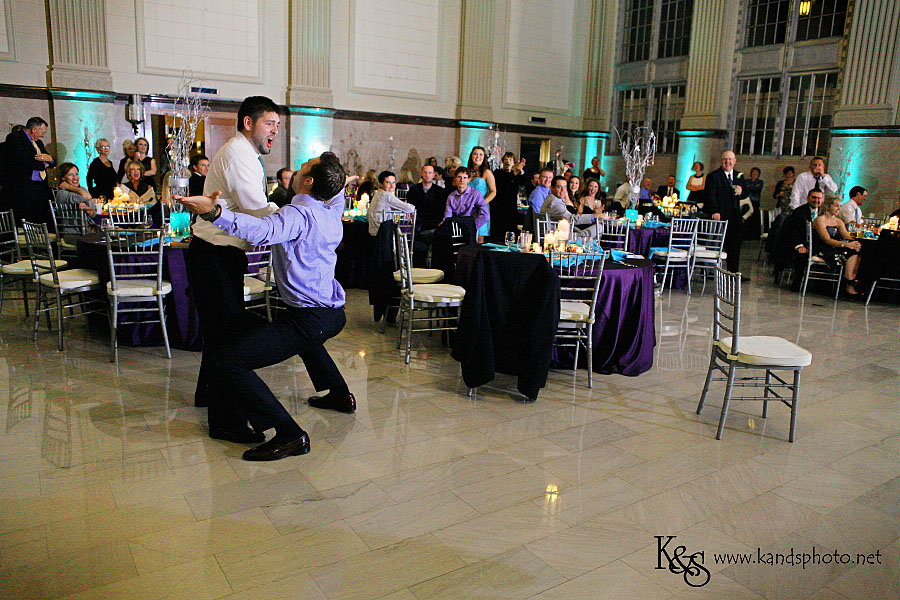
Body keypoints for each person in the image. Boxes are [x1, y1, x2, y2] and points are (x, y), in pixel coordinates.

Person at [177, 151, 354, 461]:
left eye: (302, 167)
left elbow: (262, 231)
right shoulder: (330, 208)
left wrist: (215, 213)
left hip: (309, 318)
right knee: (307, 341)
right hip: (332, 314)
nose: (297, 170)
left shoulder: (297, 216)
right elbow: (336, 194)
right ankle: (340, 395)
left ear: (308, 182)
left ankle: (290, 435)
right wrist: (338, 182)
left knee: (228, 361)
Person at [186, 95, 281, 443]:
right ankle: (225, 423)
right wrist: (292, 218)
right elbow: (256, 211)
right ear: (248, 123)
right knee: (228, 340)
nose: (275, 131)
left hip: (215, 255)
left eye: (277, 126)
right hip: (214, 255)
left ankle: (206, 395)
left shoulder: (244, 154)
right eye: (269, 123)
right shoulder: (239, 155)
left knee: (218, 334)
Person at [706, 150, 749, 278]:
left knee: (734, 246)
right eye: (725, 159)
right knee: (715, 244)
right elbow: (710, 195)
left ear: (735, 161)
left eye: (730, 159)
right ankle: (710, 272)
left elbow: (746, 193)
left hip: (734, 216)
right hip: (719, 215)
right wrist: (714, 210)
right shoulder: (713, 176)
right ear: (721, 161)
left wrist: (741, 191)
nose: (728, 162)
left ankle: (733, 272)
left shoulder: (739, 176)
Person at [4, 116, 54, 224]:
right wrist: (43, 164)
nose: (43, 135)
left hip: (39, 187)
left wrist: (50, 160)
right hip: (23, 187)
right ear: (34, 129)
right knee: (26, 218)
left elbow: (49, 159)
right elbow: (23, 160)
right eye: (43, 132)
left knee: (40, 217)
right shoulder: (14, 138)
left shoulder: (38, 143)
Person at [813, 195, 863, 297]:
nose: (839, 209)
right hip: (823, 247)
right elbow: (826, 239)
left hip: (836, 246)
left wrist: (855, 243)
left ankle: (850, 279)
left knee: (857, 250)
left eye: (840, 206)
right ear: (828, 206)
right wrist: (846, 244)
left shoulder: (838, 221)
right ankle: (849, 282)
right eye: (836, 206)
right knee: (850, 251)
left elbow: (846, 236)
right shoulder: (820, 220)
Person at [406, 164, 446, 265]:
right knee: (419, 247)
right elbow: (410, 208)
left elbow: (442, 210)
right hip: (419, 225)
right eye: (425, 172)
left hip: (435, 225)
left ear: (433, 175)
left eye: (430, 173)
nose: (427, 175)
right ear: (421, 174)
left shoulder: (440, 192)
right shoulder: (414, 190)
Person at [491, 151, 527, 242]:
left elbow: (523, 182)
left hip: (511, 208)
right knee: (498, 233)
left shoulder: (516, 174)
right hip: (499, 208)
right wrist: (516, 172)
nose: (508, 162)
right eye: (506, 159)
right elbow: (506, 183)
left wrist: (520, 171)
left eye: (510, 160)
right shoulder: (498, 173)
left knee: (511, 233)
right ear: (502, 162)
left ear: (514, 162)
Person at [366, 170, 416, 236]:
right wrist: (412, 210)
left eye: (393, 182)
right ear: (381, 184)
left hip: (374, 231)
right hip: (383, 233)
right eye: (388, 183)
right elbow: (409, 208)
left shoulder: (378, 194)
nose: (392, 186)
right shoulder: (386, 195)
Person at [443, 167, 489, 234]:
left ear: (468, 179)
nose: (462, 180)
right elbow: (447, 217)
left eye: (464, 178)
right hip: (455, 230)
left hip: (470, 231)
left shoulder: (476, 194)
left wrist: (473, 227)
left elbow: (486, 216)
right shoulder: (451, 197)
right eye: (459, 177)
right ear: (455, 178)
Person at [466, 146, 496, 239]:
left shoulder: (487, 172)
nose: (478, 156)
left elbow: (493, 192)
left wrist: (483, 203)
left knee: (479, 236)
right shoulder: (467, 172)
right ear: (471, 156)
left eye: (480, 154)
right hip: (467, 206)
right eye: (475, 154)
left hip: (480, 206)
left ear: (484, 157)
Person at [744, 167, 764, 240]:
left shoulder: (760, 182)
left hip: (755, 201)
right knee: (746, 217)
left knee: (754, 218)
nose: (755, 174)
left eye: (756, 172)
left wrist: (749, 187)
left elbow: (756, 189)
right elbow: (744, 189)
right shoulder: (746, 181)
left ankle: (754, 235)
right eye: (753, 172)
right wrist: (751, 187)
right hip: (746, 201)